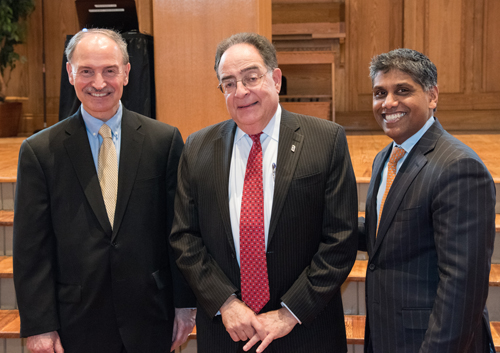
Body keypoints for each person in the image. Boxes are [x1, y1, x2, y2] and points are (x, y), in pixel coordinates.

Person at [169, 32, 358, 353]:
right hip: (228, 332)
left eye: (251, 77)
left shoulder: (326, 141)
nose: (240, 91)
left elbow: (340, 238)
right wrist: (226, 303)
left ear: (276, 78)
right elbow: (185, 237)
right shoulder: (198, 147)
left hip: (305, 330)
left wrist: (289, 313)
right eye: (228, 83)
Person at [13, 28, 196, 353]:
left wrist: (184, 304)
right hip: (75, 321)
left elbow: (178, 230)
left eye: (109, 70)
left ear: (126, 72)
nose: (99, 83)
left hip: (150, 316)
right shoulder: (40, 151)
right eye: (86, 71)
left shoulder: (163, 141)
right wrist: (40, 324)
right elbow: (31, 248)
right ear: (70, 73)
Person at [359, 48, 496, 353]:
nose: (388, 102)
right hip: (388, 337)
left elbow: (462, 289)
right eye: (380, 92)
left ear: (432, 96)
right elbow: (385, 234)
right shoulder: (386, 158)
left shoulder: (459, 168)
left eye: (403, 90)